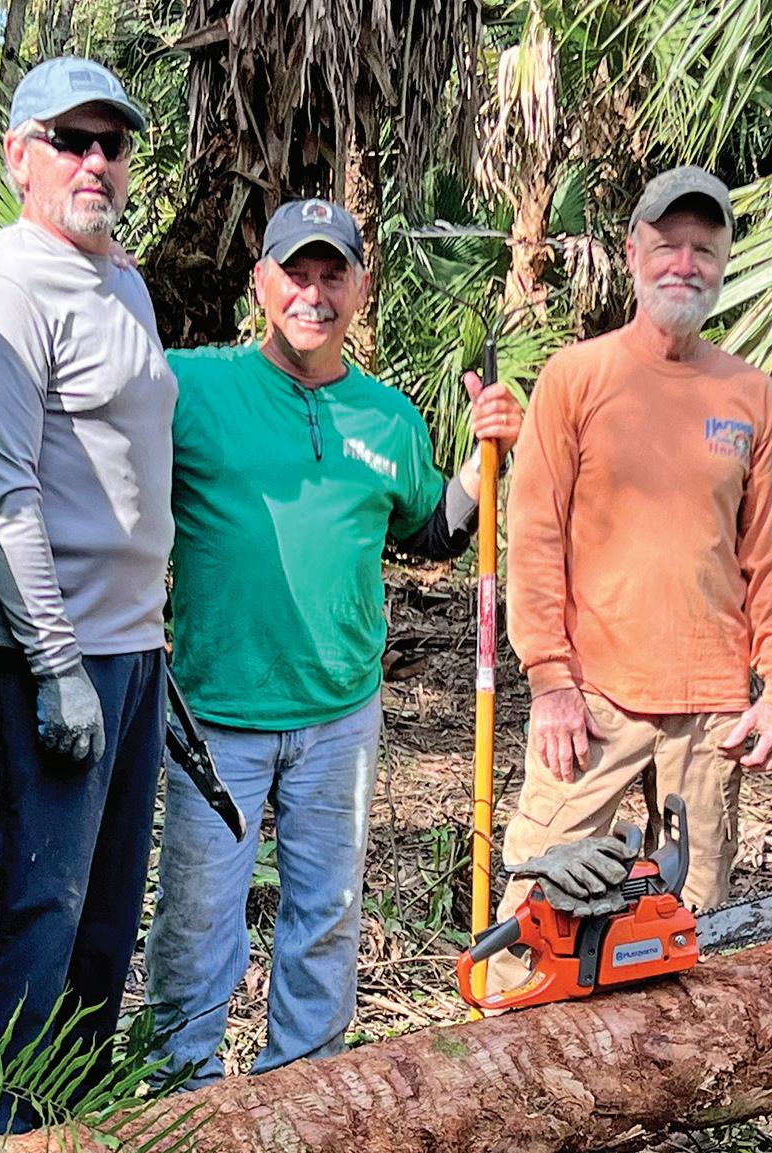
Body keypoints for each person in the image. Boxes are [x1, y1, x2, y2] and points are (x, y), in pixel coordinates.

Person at [144, 200, 525, 1084]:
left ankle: (307, 1087)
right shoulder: (191, 388)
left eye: (331, 275)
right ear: (260, 284)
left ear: (360, 287)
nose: (312, 294)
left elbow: (430, 531)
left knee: (326, 913)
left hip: (340, 715)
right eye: (295, 274)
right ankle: (179, 1092)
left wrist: (484, 460)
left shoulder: (387, 417)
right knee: (198, 920)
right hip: (216, 714)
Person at [0, 55, 173, 1130]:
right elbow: (3, 496)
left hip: (132, 651)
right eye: (70, 141)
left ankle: (76, 1139)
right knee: (34, 904)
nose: (94, 162)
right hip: (40, 657)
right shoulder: (1, 288)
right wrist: (58, 663)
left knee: (105, 914)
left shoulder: (123, 281)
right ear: (19, 156)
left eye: (110, 144)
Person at [494, 166, 772, 929]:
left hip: (710, 710)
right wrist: (549, 682)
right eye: (668, 245)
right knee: (538, 918)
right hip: (593, 701)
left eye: (704, 249)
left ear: (723, 262)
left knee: (684, 933)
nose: (684, 265)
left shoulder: (749, 393)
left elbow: (768, 556)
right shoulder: (576, 377)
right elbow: (533, 541)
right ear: (633, 252)